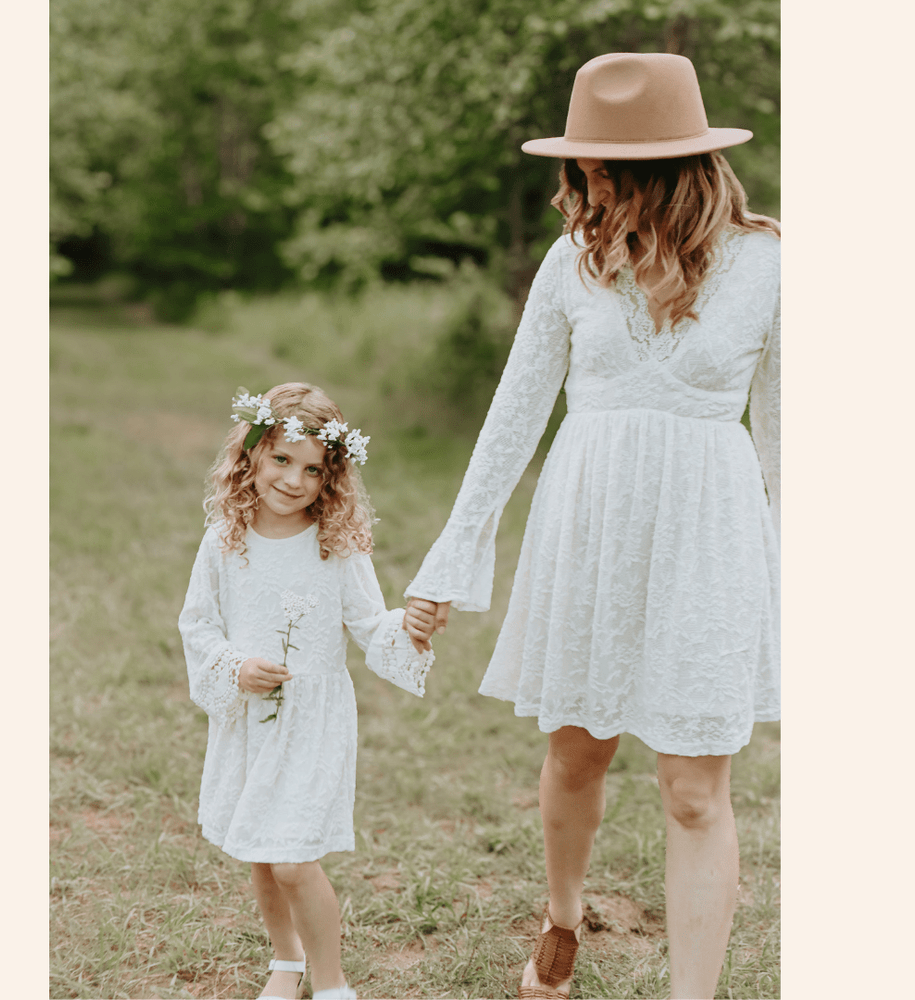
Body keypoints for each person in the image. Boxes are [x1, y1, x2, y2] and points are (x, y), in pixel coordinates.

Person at [403, 52, 780, 1000]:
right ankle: (563, 920)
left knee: (694, 789)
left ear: (679, 165)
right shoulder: (571, 264)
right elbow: (514, 416)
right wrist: (451, 555)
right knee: (579, 751)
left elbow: (789, 439)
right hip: (590, 526)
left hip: (710, 536)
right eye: (584, 165)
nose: (589, 182)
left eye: (609, 165)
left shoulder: (771, 263)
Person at [179, 382, 433, 1000]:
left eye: (313, 469)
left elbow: (371, 624)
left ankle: (332, 983)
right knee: (262, 852)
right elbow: (199, 624)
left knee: (293, 856)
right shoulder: (224, 542)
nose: (293, 480)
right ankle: (286, 961)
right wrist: (234, 666)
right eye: (281, 460)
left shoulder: (336, 547)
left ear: (332, 478)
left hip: (312, 720)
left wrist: (410, 627)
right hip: (250, 717)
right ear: (254, 456)